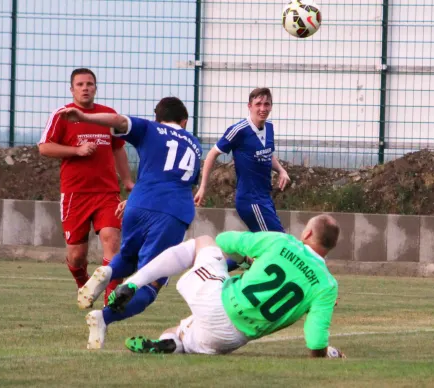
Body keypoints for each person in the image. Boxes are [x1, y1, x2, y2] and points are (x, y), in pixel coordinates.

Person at [57, 97, 202, 350]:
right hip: (172, 211)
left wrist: (84, 117)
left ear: (157, 117)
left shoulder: (150, 128)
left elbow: (117, 120)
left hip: (137, 203)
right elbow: (182, 180)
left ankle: (107, 272)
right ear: (184, 122)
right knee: (150, 284)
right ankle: (104, 317)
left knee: (128, 255)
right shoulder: (195, 144)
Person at [108, 214, 344, 359]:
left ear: (308, 232)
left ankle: (132, 283)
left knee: (204, 242)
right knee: (177, 332)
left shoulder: (282, 241)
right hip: (232, 337)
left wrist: (246, 258)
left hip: (219, 301)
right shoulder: (327, 285)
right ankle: (170, 343)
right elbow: (315, 340)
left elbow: (226, 240)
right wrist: (325, 354)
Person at [38, 68, 134, 303]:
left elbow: (118, 148)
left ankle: (111, 301)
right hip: (75, 195)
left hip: (107, 193)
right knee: (77, 255)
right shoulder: (62, 115)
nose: (85, 88)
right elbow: (44, 147)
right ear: (72, 89)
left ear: (95, 88)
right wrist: (77, 151)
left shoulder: (107, 115)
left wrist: (128, 181)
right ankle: (84, 286)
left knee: (112, 240)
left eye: (89, 84)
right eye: (80, 84)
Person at [194, 88, 290, 270]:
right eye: (258, 104)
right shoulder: (239, 130)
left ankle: (211, 270)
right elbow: (212, 154)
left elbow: (268, 154)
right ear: (249, 106)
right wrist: (203, 187)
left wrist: (282, 170)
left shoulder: (269, 128)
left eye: (266, 104)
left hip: (264, 198)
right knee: (279, 242)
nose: (263, 108)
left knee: (259, 249)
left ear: (271, 106)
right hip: (251, 200)